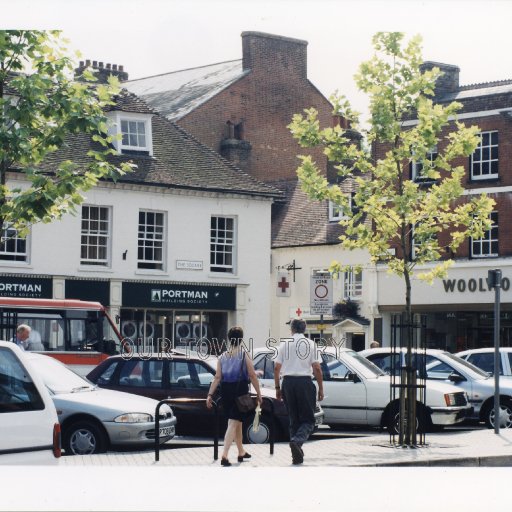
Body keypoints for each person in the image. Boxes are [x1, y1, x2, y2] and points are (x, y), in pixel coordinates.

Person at [206, 326, 262, 467]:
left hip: (226, 392)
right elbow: (252, 375)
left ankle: (241, 451)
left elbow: (217, 377)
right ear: (241, 339)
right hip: (240, 392)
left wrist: (210, 394)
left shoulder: (222, 356)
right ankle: (224, 455)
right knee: (233, 423)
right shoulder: (244, 354)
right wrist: (259, 394)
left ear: (229, 339)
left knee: (238, 423)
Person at [274, 318, 324, 465]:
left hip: (288, 382)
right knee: (309, 419)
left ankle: (296, 455)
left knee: (293, 419)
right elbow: (317, 368)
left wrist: (277, 387)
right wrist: (321, 387)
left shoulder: (284, 344)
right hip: (304, 382)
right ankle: (297, 441)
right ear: (305, 328)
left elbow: (276, 368)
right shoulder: (310, 344)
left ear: (292, 329)